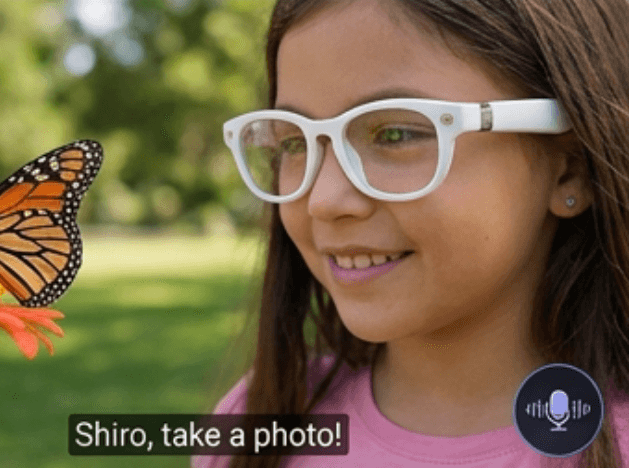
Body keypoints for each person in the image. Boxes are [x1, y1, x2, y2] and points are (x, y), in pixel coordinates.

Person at [195, 0, 629, 467]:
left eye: (395, 134)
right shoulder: (255, 426)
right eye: (294, 142)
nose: (323, 199)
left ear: (570, 170)